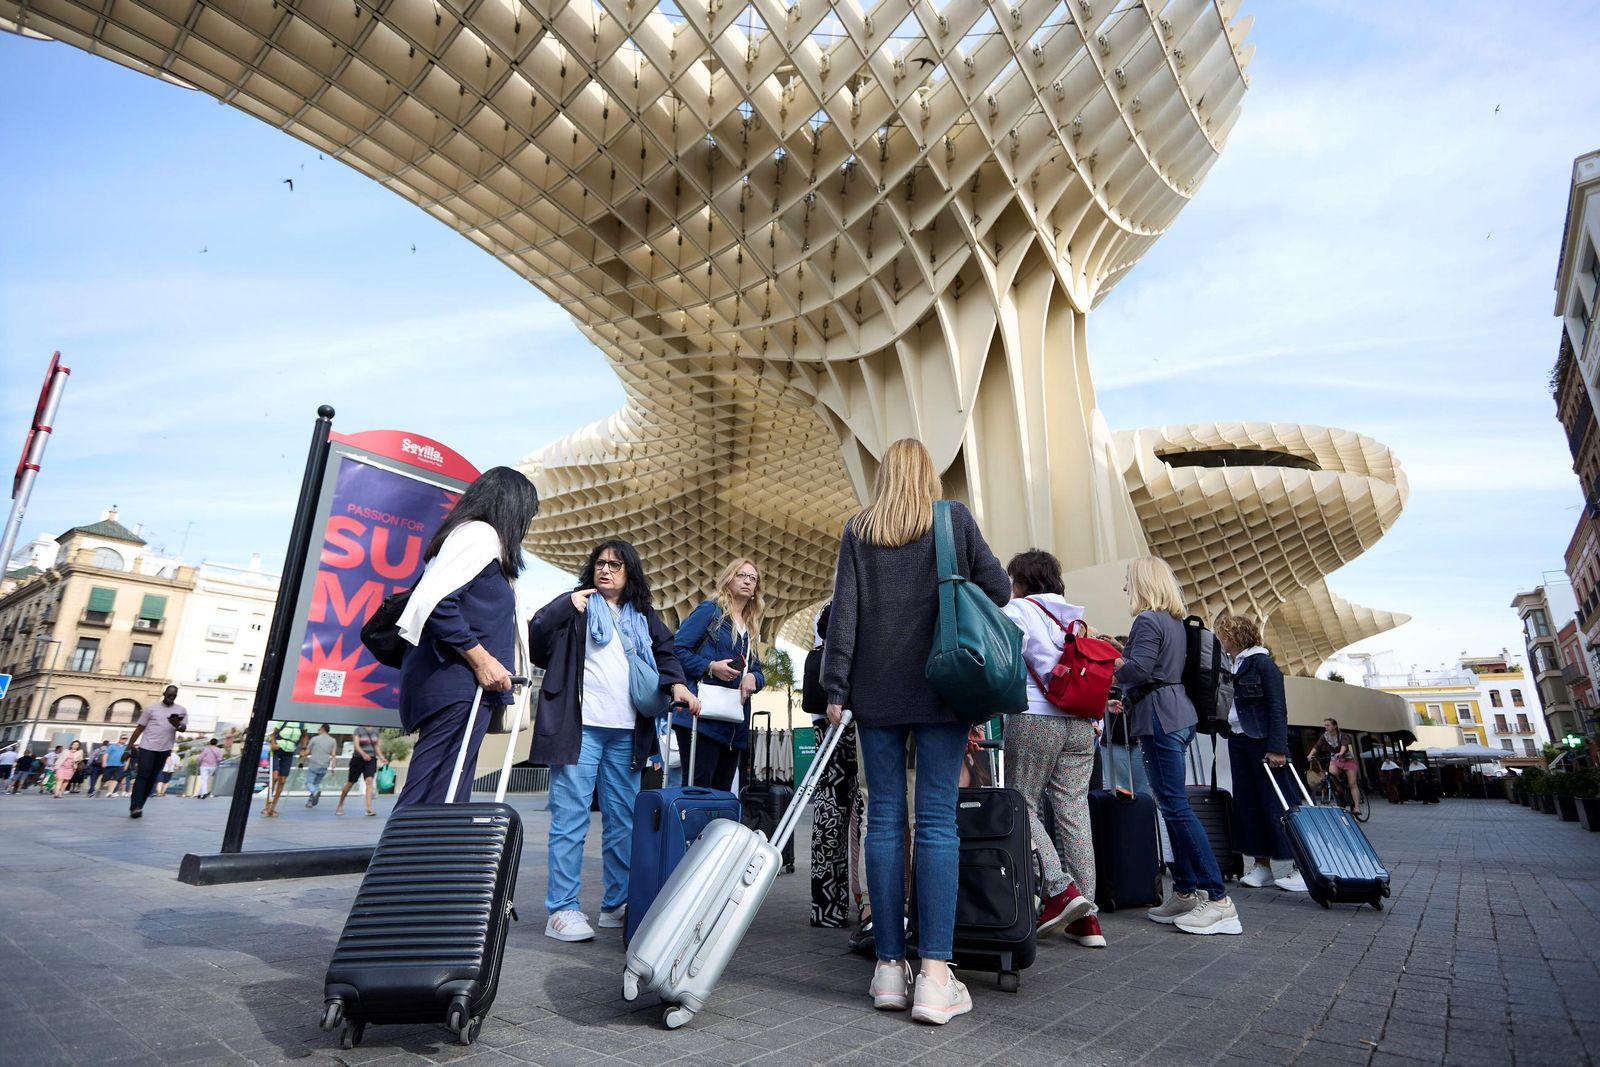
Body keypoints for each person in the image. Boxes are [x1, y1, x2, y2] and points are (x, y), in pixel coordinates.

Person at [821, 437, 1011, 1026]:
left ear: (883, 476)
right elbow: (1000, 590)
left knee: (883, 819)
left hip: (873, 694)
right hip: (941, 686)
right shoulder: (951, 520)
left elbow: (843, 613)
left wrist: (835, 690)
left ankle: (886, 969)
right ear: (928, 474)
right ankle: (933, 976)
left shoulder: (860, 529)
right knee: (935, 823)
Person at [530, 539, 697, 943]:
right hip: (579, 728)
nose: (606, 570)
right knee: (570, 819)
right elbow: (536, 639)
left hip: (628, 733)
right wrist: (565, 605)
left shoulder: (643, 616)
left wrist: (677, 685)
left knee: (623, 822)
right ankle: (562, 909)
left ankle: (616, 904)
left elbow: (667, 651)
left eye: (616, 565)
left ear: (630, 573)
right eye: (601, 563)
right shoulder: (576, 605)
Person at [395, 466, 541, 810]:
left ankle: (431, 860)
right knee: (432, 787)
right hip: (458, 684)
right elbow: (436, 605)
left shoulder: (474, 539)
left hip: (465, 688)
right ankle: (400, 860)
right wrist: (483, 660)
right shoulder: (479, 535)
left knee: (449, 785)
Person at [1112, 557, 1242, 936]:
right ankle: (1185, 890)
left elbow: (1138, 669)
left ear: (1142, 583)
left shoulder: (1147, 621)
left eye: (1127, 581)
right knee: (1173, 807)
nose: (1124, 587)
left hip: (1160, 718)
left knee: (1176, 808)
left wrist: (1108, 659)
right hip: (1177, 715)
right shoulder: (1172, 622)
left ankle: (1218, 900)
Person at [1000, 549, 1104, 948]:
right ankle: (1087, 919)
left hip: (1036, 718)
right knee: (1074, 812)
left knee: (1021, 802)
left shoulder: (1020, 610)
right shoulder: (1076, 618)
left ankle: (1062, 891)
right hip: (1081, 723)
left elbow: (1004, 658)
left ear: (1022, 581)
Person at [1214, 614, 1306, 895]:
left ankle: (1301, 867)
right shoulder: (1231, 666)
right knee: (1248, 804)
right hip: (1239, 740)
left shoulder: (1263, 665)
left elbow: (1278, 708)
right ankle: (1262, 866)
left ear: (1235, 637)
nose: (1220, 640)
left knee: (1279, 804)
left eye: (1223, 635)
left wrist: (1277, 747)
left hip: (1264, 742)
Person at [671, 558, 767, 790]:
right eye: (740, 575)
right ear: (728, 579)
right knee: (698, 791)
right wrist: (710, 667)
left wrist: (754, 677)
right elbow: (676, 650)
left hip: (733, 723)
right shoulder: (710, 611)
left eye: (752, 578)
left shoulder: (750, 626)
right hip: (702, 719)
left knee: (722, 793)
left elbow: (756, 669)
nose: (747, 581)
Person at [805, 604, 866, 930]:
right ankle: (865, 898)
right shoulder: (854, 653)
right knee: (863, 813)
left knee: (831, 814)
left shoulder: (821, 641)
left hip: (827, 726)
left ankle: (827, 907)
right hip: (853, 722)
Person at [126, 686, 188, 818]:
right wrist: (128, 747)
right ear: (164, 694)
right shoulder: (151, 709)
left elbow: (183, 728)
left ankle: (140, 805)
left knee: (152, 777)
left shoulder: (181, 710)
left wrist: (177, 724)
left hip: (164, 749)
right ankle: (135, 806)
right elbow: (139, 728)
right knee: (143, 774)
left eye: (174, 696)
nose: (171, 697)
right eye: (169, 695)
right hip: (147, 747)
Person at [1312, 718, 1362, 813]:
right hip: (1335, 760)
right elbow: (1317, 746)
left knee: (1352, 784)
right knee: (1332, 773)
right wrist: (1310, 755)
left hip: (1348, 760)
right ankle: (1340, 790)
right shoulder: (1325, 736)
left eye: (1328, 725)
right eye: (1325, 725)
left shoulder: (1343, 736)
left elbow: (1344, 745)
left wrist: (1341, 752)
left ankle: (1357, 807)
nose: (1326, 727)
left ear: (1335, 726)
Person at [260, 721, 306, 817]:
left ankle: (273, 808)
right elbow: (273, 735)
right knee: (275, 778)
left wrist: (303, 749)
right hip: (277, 750)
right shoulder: (284, 721)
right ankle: (266, 807)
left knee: (282, 780)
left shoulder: (302, 724)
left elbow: (305, 737)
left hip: (289, 752)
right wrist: (273, 744)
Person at [336, 724, 382, 815]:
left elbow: (376, 746)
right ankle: (340, 804)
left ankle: (369, 809)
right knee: (350, 783)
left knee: (369, 781)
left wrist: (382, 757)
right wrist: (363, 754)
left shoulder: (376, 730)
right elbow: (356, 746)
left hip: (371, 759)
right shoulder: (358, 730)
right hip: (358, 759)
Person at [302, 725, 338, 807]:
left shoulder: (314, 739)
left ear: (322, 729)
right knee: (316, 783)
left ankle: (314, 792)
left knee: (309, 783)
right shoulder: (333, 740)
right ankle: (310, 802)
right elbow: (333, 755)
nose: (318, 731)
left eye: (318, 729)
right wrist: (333, 767)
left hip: (314, 764)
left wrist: (302, 761)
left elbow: (307, 751)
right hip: (324, 765)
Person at [99, 734, 129, 798]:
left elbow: (127, 757)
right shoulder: (112, 746)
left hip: (120, 765)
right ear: (119, 739)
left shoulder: (126, 748)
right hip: (110, 765)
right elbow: (106, 754)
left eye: (126, 739)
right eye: (123, 738)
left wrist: (126, 765)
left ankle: (110, 792)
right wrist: (104, 762)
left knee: (115, 779)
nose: (124, 740)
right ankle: (100, 789)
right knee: (104, 779)